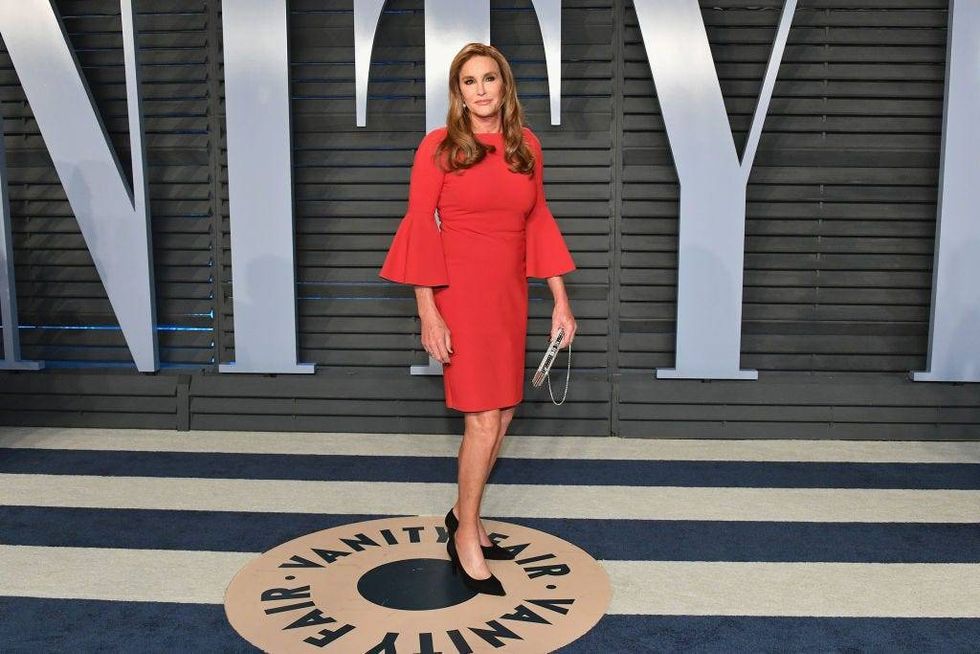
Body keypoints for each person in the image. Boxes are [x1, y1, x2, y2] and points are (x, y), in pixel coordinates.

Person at [378, 43, 577, 596]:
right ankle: (465, 534)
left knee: (505, 412)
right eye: (469, 81)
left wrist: (560, 300)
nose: (481, 89)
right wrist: (428, 311)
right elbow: (420, 225)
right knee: (483, 420)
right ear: (458, 92)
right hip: (461, 296)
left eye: (490, 78)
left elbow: (538, 221)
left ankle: (465, 512)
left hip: (510, 296)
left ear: (503, 86)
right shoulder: (438, 147)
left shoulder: (525, 146)